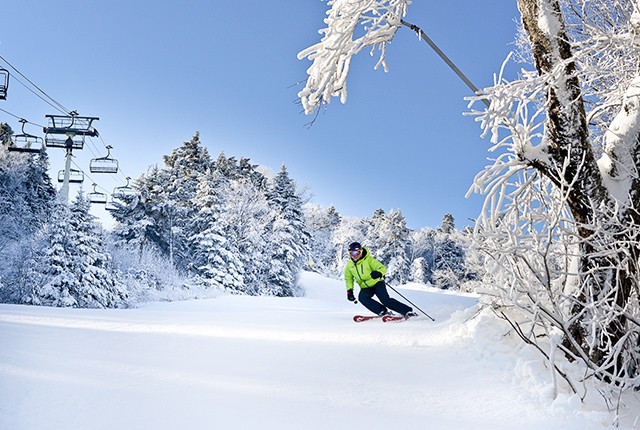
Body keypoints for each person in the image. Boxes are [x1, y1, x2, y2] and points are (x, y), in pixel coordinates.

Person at [344, 241, 417, 318]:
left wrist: (378, 273)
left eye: (357, 253)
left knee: (385, 300)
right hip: (365, 286)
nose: (355, 256)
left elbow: (382, 268)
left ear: (361, 252)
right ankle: (382, 311)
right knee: (363, 298)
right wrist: (350, 291)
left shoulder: (369, 260)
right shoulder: (349, 265)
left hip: (377, 283)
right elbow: (348, 278)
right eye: (352, 253)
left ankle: (407, 311)